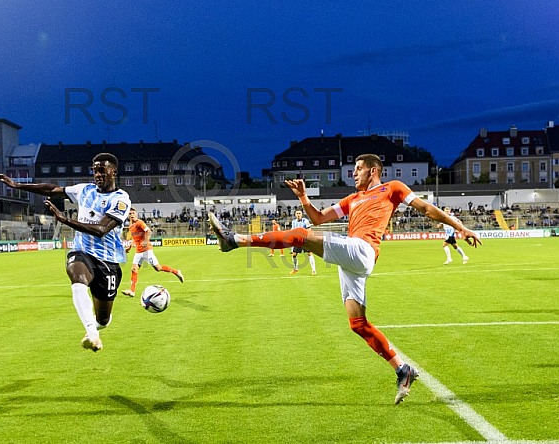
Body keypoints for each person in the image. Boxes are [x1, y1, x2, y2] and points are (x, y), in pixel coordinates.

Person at [208, 154, 482, 404]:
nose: (354, 174)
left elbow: (426, 209)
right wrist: (304, 198)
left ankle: (235, 239)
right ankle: (402, 369)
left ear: (373, 171)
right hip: (351, 256)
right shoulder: (352, 200)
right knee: (357, 324)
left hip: (363, 250)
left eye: (359, 169)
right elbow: (317, 218)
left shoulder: (393, 188)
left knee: (300, 236)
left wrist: (460, 227)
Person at [0, 152, 130, 352]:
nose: (97, 174)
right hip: (81, 250)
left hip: (108, 259)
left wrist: (66, 221)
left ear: (113, 172)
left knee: (103, 317)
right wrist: (18, 186)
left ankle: (97, 325)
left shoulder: (120, 199)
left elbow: (101, 229)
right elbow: (52, 189)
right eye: (95, 170)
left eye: (102, 170)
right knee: (77, 279)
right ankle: (92, 333)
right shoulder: (85, 190)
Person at [122, 207, 184, 297]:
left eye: (133, 213)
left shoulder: (140, 223)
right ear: (128, 215)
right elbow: (135, 238)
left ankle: (176, 272)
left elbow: (149, 232)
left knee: (158, 268)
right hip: (138, 251)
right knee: (134, 269)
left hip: (146, 250)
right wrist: (130, 247)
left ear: (136, 214)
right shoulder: (131, 226)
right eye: (130, 214)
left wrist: (146, 241)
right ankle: (132, 291)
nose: (132, 215)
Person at [290, 209, 316, 275]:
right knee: (294, 255)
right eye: (297, 213)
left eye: (299, 213)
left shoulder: (305, 221)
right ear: (295, 215)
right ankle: (295, 268)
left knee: (309, 253)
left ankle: (313, 270)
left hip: (305, 240)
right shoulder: (293, 222)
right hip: (297, 241)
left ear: (302, 214)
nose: (298, 215)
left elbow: (309, 230)